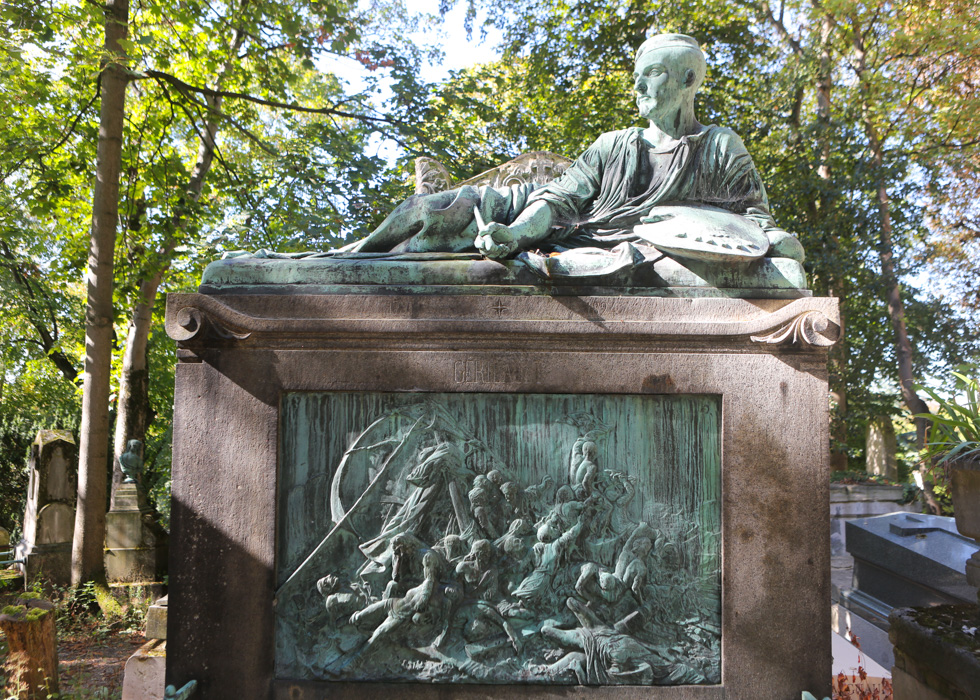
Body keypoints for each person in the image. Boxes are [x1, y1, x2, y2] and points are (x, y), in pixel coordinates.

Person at [340, 33, 804, 268]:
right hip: (543, 218)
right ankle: (345, 263)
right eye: (637, 75)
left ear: (688, 80)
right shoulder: (612, 145)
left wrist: (777, 244)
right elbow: (558, 199)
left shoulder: (720, 148)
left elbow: (758, 226)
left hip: (598, 241)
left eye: (654, 73)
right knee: (432, 210)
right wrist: (517, 233)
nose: (640, 84)